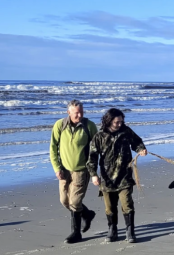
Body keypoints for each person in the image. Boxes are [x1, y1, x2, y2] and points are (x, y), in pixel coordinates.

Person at [87, 108, 147, 243]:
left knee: (127, 203)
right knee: (109, 207)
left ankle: (130, 232)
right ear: (109, 121)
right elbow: (92, 157)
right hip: (107, 178)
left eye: (121, 121)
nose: (120, 124)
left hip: (125, 175)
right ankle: (112, 230)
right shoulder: (99, 136)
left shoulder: (126, 131)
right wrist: (93, 175)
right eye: (117, 122)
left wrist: (141, 149)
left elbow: (137, 142)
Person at [49, 99, 98, 244]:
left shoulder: (89, 126)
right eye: (76, 113)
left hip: (82, 170)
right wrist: (57, 168)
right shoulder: (60, 125)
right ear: (68, 112)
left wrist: (94, 170)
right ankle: (87, 214)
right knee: (64, 201)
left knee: (75, 202)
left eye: (81, 112)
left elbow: (97, 148)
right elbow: (53, 148)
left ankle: (76, 233)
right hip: (64, 170)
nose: (79, 115)